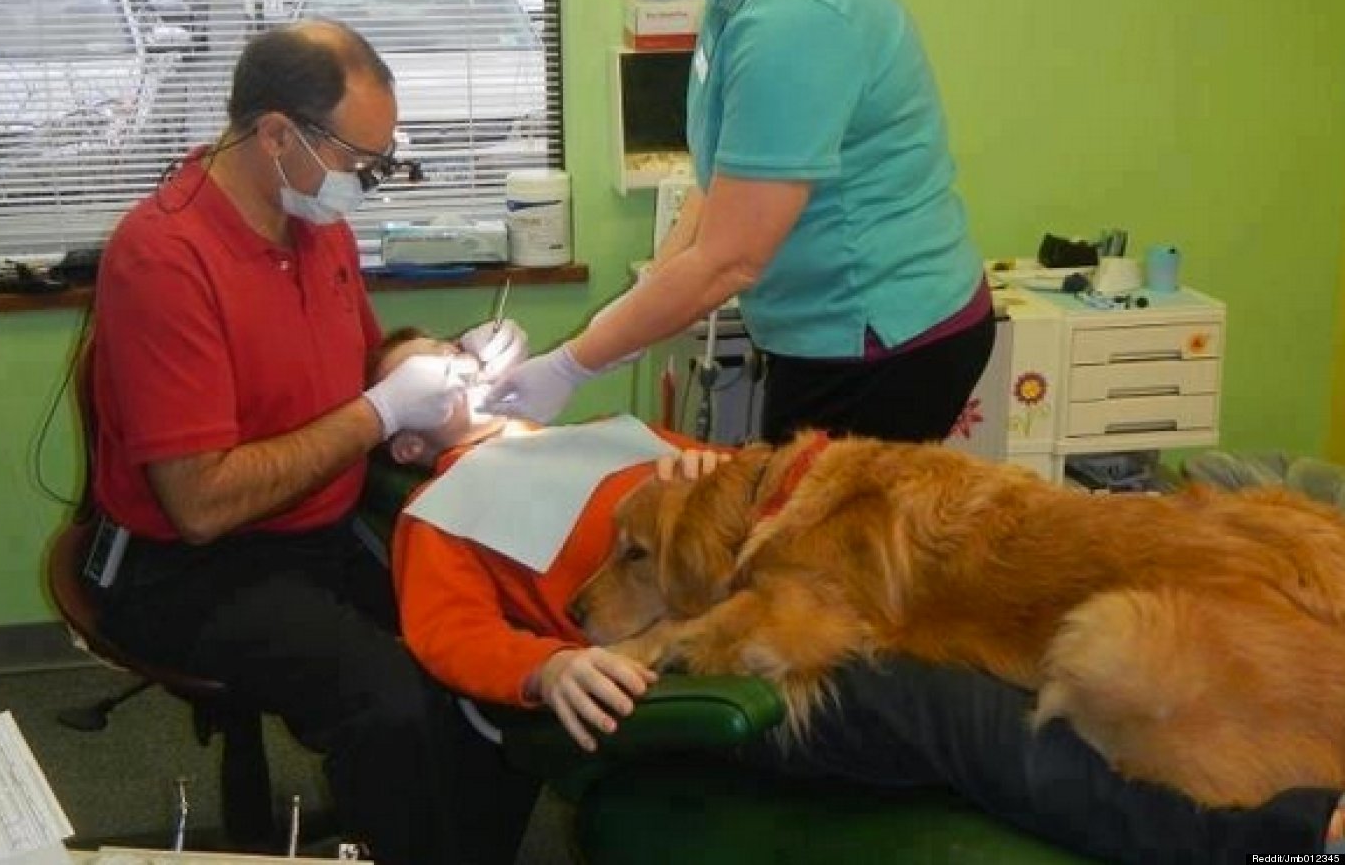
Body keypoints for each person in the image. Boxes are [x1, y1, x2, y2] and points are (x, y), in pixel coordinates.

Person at [377, 331, 1345, 864]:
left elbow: (753, 494)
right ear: (406, 441)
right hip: (684, 676)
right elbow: (446, 635)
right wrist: (548, 666)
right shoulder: (437, 509)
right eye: (426, 375)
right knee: (960, 713)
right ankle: (1277, 841)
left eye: (462, 351)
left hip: (780, 598)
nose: (460, 366)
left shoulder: (595, 430)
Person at [87, 23, 534, 865]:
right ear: (277, 134)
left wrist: (436, 362)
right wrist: (376, 412)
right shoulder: (163, 259)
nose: (366, 180)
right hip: (195, 565)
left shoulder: (312, 217)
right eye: (359, 159)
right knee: (393, 702)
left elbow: (359, 364)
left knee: (499, 635)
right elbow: (200, 504)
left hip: (323, 525)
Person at [486, 0, 995, 444]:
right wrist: (638, 312)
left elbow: (729, 262)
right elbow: (722, 176)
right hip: (828, 327)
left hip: (883, 337)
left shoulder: (793, 12)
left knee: (812, 541)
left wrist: (573, 362)